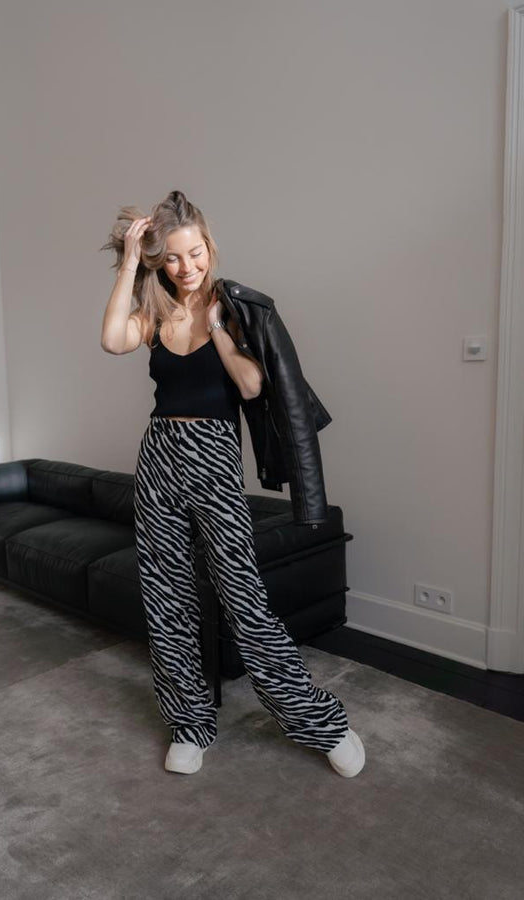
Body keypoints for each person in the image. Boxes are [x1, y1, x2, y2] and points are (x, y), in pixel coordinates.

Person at [100, 190, 365, 777]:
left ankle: (319, 722)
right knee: (166, 596)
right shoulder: (156, 313)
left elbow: (249, 386)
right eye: (173, 257)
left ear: (209, 246)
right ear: (160, 261)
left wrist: (218, 328)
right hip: (159, 454)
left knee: (243, 597)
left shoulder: (234, 307)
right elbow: (112, 339)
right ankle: (189, 725)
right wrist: (129, 263)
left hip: (215, 455)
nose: (186, 267)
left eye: (195, 252)